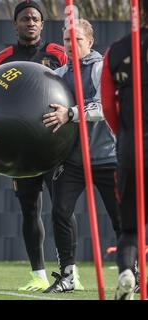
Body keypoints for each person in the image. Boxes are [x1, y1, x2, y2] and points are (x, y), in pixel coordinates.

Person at [0, 0, 71, 292]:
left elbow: (73, 89)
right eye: (25, 19)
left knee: (62, 208)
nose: (31, 23)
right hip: (22, 150)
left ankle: (69, 271)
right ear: (15, 24)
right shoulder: (3, 58)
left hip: (54, 144)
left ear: (42, 23)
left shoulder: (57, 53)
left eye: (35, 18)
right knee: (29, 209)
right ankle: (37, 273)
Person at [42, 18, 122, 293]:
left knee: (120, 218)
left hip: (107, 156)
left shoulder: (101, 68)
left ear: (89, 41)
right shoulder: (58, 74)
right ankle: (67, 275)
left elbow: (103, 106)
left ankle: (130, 270)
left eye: (76, 39)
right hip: (73, 160)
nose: (70, 44)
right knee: (60, 211)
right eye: (66, 39)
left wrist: (71, 113)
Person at [101, 0, 148, 300]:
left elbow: (108, 107)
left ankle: (127, 272)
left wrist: (127, 137)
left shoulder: (118, 49)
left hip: (132, 151)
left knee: (130, 229)